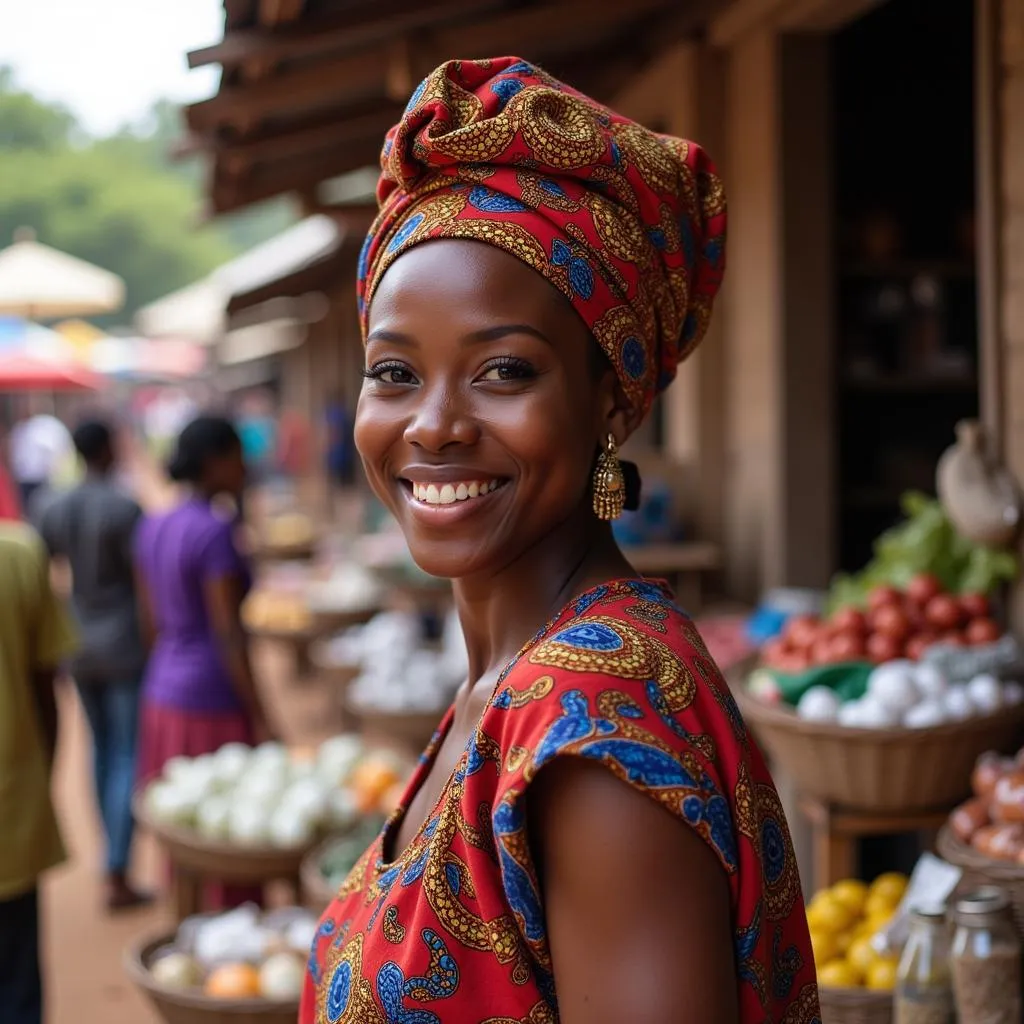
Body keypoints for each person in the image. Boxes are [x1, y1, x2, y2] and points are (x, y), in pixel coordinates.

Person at [302, 58, 818, 1024]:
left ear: (613, 400)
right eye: (394, 372)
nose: (433, 425)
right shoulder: (508, 686)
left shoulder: (592, 728)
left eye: (502, 370)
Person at [133, 416, 273, 907]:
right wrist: (260, 713)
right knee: (228, 833)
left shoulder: (153, 524)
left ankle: (189, 919)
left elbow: (150, 622)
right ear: (215, 461)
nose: (245, 468)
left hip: (164, 689)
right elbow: (229, 634)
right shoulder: (214, 532)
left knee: (187, 827)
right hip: (212, 698)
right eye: (238, 458)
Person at [38, 419, 150, 911]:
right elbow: (143, 586)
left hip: (78, 640)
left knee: (100, 748)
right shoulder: (125, 507)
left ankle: (112, 856)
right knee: (126, 752)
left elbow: (46, 579)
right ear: (108, 448)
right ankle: (117, 867)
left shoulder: (52, 506)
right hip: (124, 641)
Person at [0, 523, 78, 1024]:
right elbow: (45, 688)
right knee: (16, 979)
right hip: (10, 807)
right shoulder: (19, 555)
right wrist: (37, 777)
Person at [8, 403, 73, 511]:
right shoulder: (19, 428)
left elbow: (62, 449)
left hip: (44, 479)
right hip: (24, 479)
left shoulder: (48, 426)